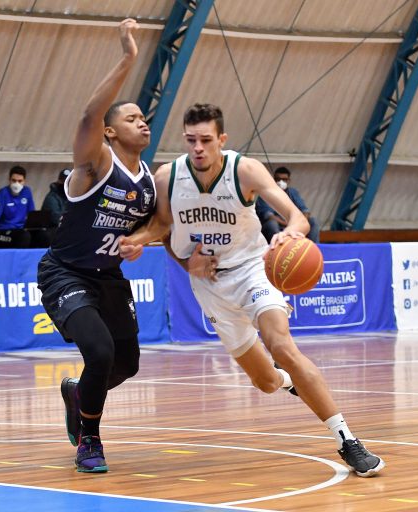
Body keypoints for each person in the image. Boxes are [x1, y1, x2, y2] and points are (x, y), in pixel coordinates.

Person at [119, 104, 385, 478]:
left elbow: (299, 218)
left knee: (282, 347)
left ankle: (347, 440)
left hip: (252, 270)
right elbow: (162, 227)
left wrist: (289, 233)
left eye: (206, 140)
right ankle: (290, 382)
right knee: (265, 382)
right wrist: (140, 243)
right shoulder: (168, 177)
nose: (198, 148)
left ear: (222, 139)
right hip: (209, 284)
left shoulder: (244, 170)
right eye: (191, 140)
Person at [37, 18, 154, 473]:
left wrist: (142, 239)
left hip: (109, 277)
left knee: (126, 365)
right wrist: (128, 57)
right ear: (110, 132)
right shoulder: (96, 165)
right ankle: (90, 440)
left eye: (144, 118)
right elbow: (89, 115)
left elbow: (160, 224)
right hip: (66, 272)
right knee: (100, 352)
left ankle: (76, 394)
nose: (142, 122)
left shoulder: (150, 181)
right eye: (131, 118)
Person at [256, 166, 320, 244]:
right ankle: (278, 247)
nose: (281, 182)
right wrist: (288, 225)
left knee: (313, 221)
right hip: (277, 225)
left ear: (288, 180)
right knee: (272, 224)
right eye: (278, 179)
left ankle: (313, 247)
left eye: (284, 179)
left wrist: (302, 222)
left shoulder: (293, 192)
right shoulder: (265, 193)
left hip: (294, 225)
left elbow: (305, 211)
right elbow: (268, 215)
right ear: (273, 179)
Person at [0, 165, 36, 249]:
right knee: (24, 237)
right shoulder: (2, 193)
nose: (17, 184)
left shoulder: (27, 192)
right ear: (9, 180)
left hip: (20, 230)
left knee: (41, 236)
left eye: (20, 181)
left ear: (24, 181)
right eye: (14, 180)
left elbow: (32, 215)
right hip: (3, 232)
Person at [40, 168, 70, 246]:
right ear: (59, 181)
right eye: (64, 182)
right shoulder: (51, 197)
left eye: (68, 182)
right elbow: (56, 218)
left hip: (66, 228)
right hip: (52, 229)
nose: (66, 185)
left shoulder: (71, 197)